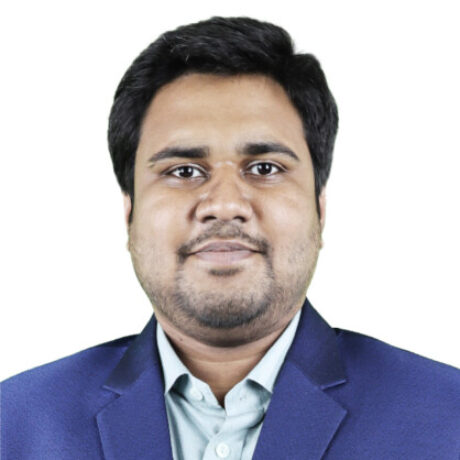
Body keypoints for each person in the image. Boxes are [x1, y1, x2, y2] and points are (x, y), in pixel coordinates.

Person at [1, 16, 459, 460]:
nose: (223, 204)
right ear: (130, 213)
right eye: (184, 171)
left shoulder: (447, 419)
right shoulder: (14, 423)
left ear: (320, 209)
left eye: (264, 168)